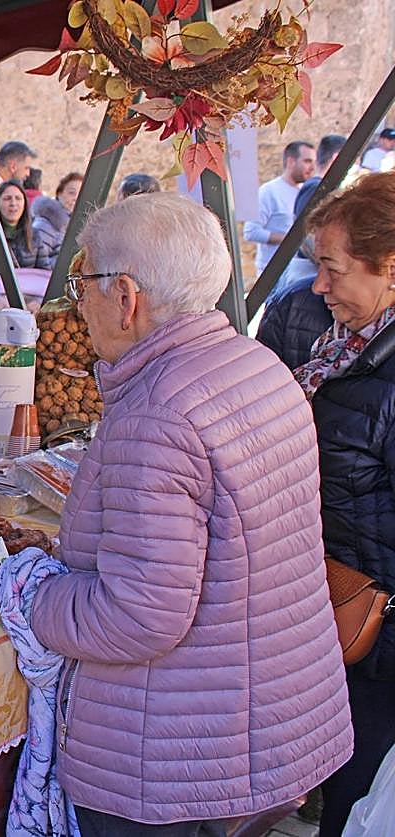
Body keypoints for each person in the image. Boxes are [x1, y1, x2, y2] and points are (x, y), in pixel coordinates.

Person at [25, 192, 353, 834]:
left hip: (176, 760)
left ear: (125, 296)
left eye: (83, 281)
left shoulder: (158, 412)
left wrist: (32, 596)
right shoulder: (256, 365)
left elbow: (137, 616)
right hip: (266, 727)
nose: (77, 301)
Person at [293, 172, 395, 837]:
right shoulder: (344, 353)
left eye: (332, 268)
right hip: (342, 618)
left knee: (359, 804)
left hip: (382, 639)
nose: (318, 286)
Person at [264, 134, 347, 306]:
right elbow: (306, 234)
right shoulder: (316, 188)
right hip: (306, 272)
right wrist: (329, 264)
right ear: (337, 158)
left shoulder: (314, 187)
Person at [243, 140, 315, 276]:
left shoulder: (305, 192)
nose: (312, 167)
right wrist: (291, 239)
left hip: (299, 271)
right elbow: (251, 231)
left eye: (313, 162)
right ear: (291, 162)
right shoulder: (269, 191)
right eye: (307, 161)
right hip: (272, 275)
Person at [0, 180, 50, 269]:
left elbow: (43, 271)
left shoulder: (34, 235)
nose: (13, 203)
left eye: (18, 198)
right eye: (7, 198)